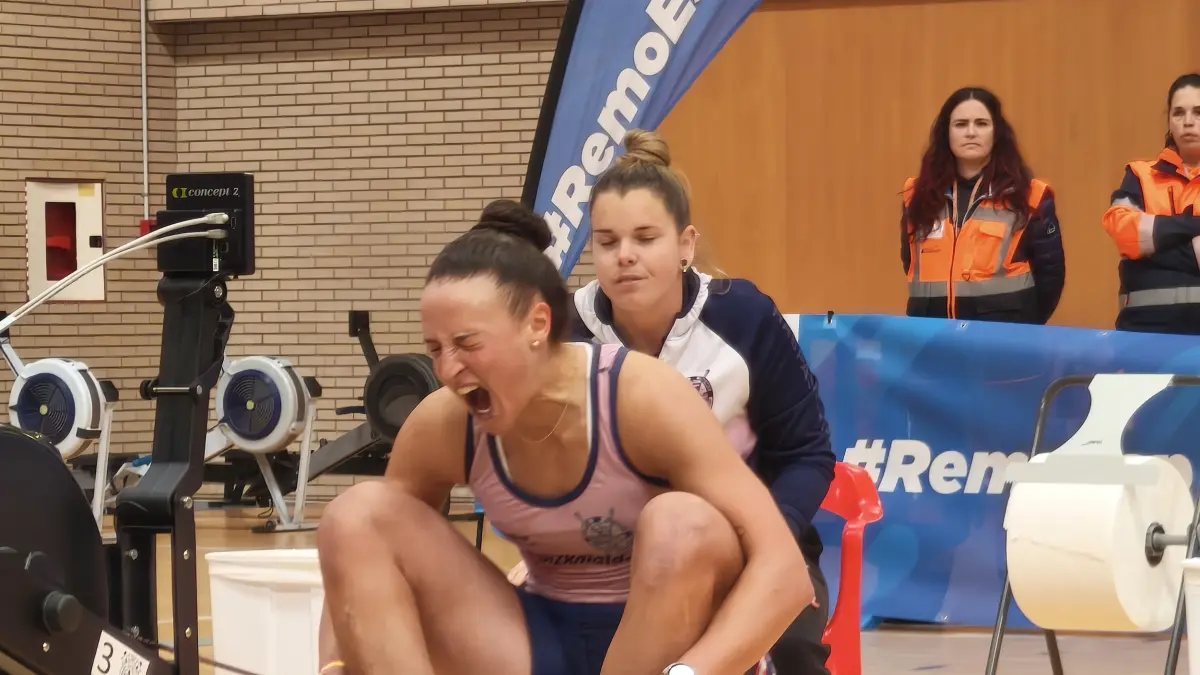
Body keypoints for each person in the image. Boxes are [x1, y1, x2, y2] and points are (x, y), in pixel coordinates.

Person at [315, 198, 815, 675]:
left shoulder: (642, 396)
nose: (448, 369)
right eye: (435, 348)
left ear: (537, 324)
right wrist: (334, 666)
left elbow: (785, 572)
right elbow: (356, 563)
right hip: (537, 637)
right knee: (356, 513)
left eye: (467, 343)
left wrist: (691, 670)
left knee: (681, 522)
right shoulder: (444, 423)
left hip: (664, 642)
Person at [901, 86, 1066, 324]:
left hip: (1002, 337)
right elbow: (911, 262)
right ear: (946, 133)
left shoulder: (1030, 196)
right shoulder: (917, 195)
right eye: (960, 124)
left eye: (981, 124)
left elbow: (1050, 277)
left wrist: (1024, 327)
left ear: (996, 132)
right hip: (931, 336)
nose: (971, 132)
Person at [1102, 73, 1200, 334]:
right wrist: (1193, 228)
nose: (1188, 122)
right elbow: (1124, 232)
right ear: (1169, 120)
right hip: (1143, 331)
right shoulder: (1139, 175)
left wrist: (1151, 249)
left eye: (1198, 112)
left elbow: (1139, 241)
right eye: (1178, 113)